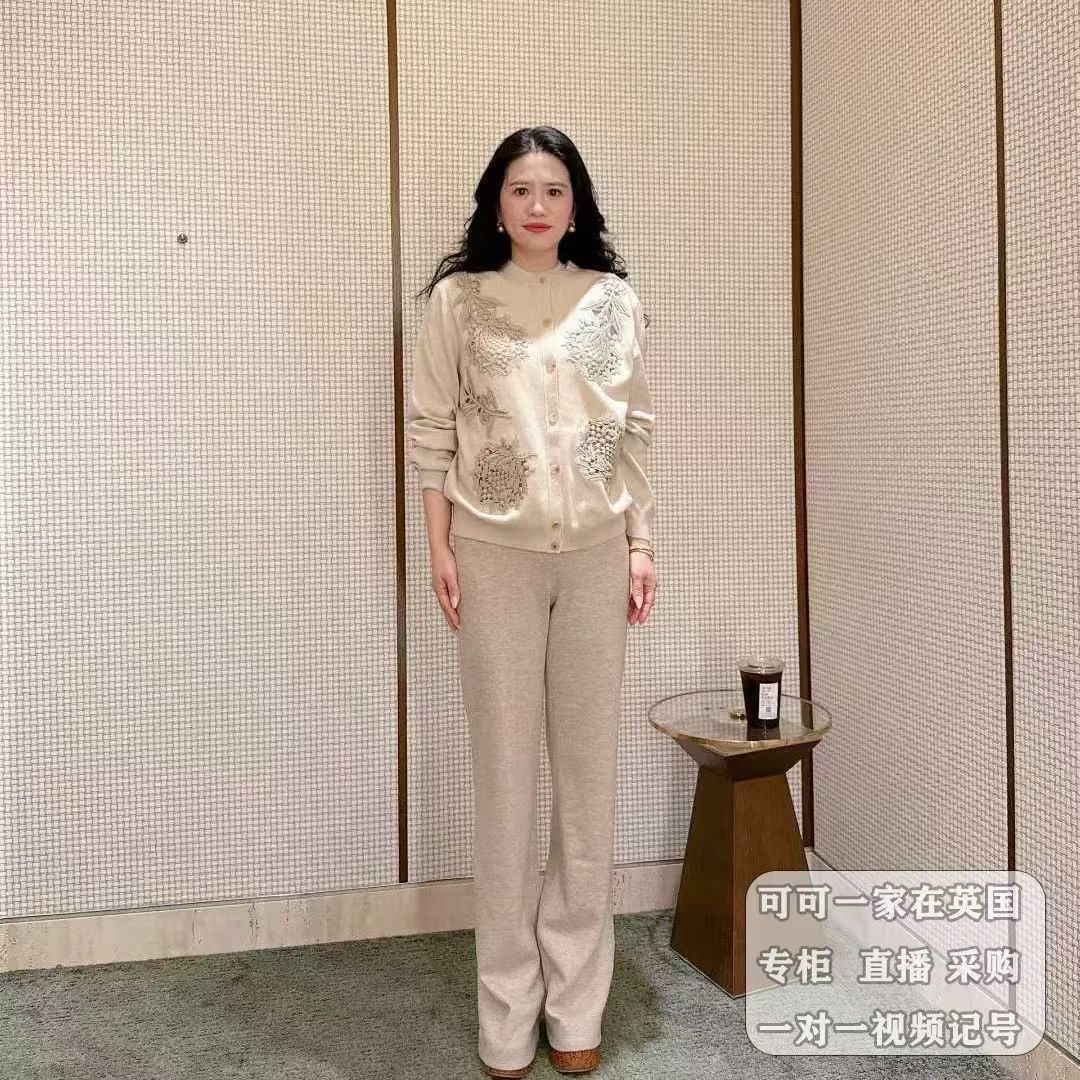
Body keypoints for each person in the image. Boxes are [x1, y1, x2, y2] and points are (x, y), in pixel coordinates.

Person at [405, 125, 657, 1078]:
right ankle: (506, 1019)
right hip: (492, 561)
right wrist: (440, 547)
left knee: (587, 794)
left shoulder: (614, 300)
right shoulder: (458, 303)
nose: (538, 205)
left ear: (576, 204)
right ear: (496, 204)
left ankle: (576, 1010)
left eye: (554, 189)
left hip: (594, 560)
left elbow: (635, 430)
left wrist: (640, 543)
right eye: (520, 189)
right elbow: (430, 430)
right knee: (507, 791)